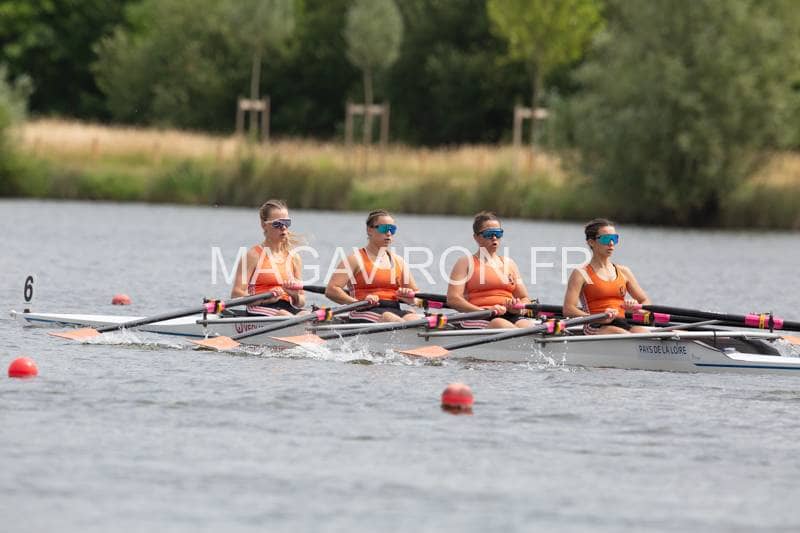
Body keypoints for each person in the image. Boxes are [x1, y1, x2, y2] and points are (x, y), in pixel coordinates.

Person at [325, 209, 422, 323]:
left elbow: (418, 297)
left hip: (394, 309)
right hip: (363, 310)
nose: (389, 233)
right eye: (384, 229)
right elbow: (331, 290)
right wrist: (356, 303)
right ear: (369, 230)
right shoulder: (355, 259)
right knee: (390, 318)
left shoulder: (399, 261)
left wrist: (412, 300)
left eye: (392, 229)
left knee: (415, 320)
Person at [446, 211, 535, 329]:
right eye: (489, 234)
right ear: (476, 237)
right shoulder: (465, 263)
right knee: (500, 324)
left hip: (510, 315)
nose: (494, 238)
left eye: (498, 233)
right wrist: (484, 311)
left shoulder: (509, 264)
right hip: (479, 315)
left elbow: (524, 298)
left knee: (528, 326)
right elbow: (453, 299)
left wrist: (519, 308)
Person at [563, 218, 650, 334]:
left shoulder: (624, 271)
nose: (611, 243)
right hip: (594, 324)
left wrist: (636, 308)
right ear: (591, 242)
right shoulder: (581, 273)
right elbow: (568, 309)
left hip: (622, 322)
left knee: (644, 333)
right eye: (606, 239)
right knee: (620, 333)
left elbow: (645, 301)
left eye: (614, 238)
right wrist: (598, 317)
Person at [231, 199, 306, 316]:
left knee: (308, 316)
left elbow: (301, 302)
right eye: (277, 224)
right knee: (285, 316)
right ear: (264, 225)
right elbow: (236, 294)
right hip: (259, 308)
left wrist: (294, 295)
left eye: (286, 223)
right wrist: (264, 299)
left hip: (288, 308)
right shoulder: (253, 255)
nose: (283, 227)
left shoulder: (294, 258)